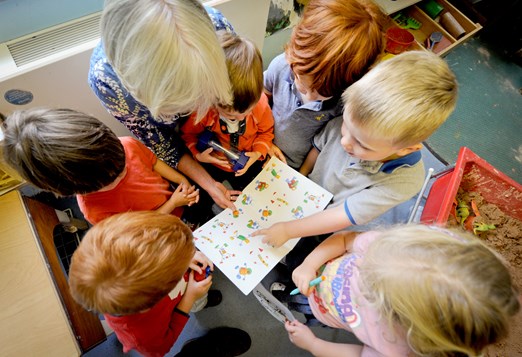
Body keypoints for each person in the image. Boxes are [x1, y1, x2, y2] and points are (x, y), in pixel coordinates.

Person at [254, 51, 458, 248]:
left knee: (303, 250)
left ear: (406, 149)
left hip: (332, 222)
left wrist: (288, 230)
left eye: (362, 145)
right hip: (308, 195)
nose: (345, 142)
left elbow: (342, 215)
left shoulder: (404, 182)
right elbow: (318, 148)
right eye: (346, 126)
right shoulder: (354, 124)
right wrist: (301, 176)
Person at [88, 0, 241, 211]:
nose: (195, 108)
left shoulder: (218, 28)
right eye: (181, 104)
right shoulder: (108, 83)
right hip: (178, 145)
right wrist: (209, 185)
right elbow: (163, 144)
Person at [284, 224, 520, 356]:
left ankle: (291, 296)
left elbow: (358, 355)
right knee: (295, 265)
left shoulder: (397, 349)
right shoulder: (397, 251)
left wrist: (314, 345)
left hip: (326, 310)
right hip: (318, 267)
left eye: (369, 284)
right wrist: (309, 264)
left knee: (300, 305)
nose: (360, 274)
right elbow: (345, 240)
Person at [68, 211, 251, 357]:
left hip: (185, 291)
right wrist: (188, 299)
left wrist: (186, 255)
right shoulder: (142, 337)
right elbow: (163, 347)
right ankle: (198, 304)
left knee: (199, 298)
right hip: (181, 304)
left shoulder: (137, 259)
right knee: (197, 302)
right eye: (175, 262)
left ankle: (200, 301)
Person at [0, 108, 199, 224]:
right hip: (158, 224)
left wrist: (181, 180)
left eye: (123, 164)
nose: (123, 173)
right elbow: (139, 227)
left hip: (176, 203)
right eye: (113, 179)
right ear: (70, 190)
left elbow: (154, 163)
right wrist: (172, 203)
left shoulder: (126, 145)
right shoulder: (93, 211)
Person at [264, 0, 387, 169]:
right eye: (299, 78)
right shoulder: (281, 66)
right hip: (262, 143)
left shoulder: (344, 104)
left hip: (292, 167)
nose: (307, 94)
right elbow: (262, 96)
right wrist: (263, 140)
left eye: (320, 93)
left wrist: (302, 174)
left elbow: (322, 146)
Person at [181, 31, 274, 191]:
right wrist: (198, 155)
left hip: (247, 161)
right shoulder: (204, 112)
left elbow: (266, 133)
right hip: (214, 162)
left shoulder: (260, 105)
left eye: (247, 111)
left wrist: (258, 154)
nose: (241, 117)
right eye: (231, 115)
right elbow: (188, 136)